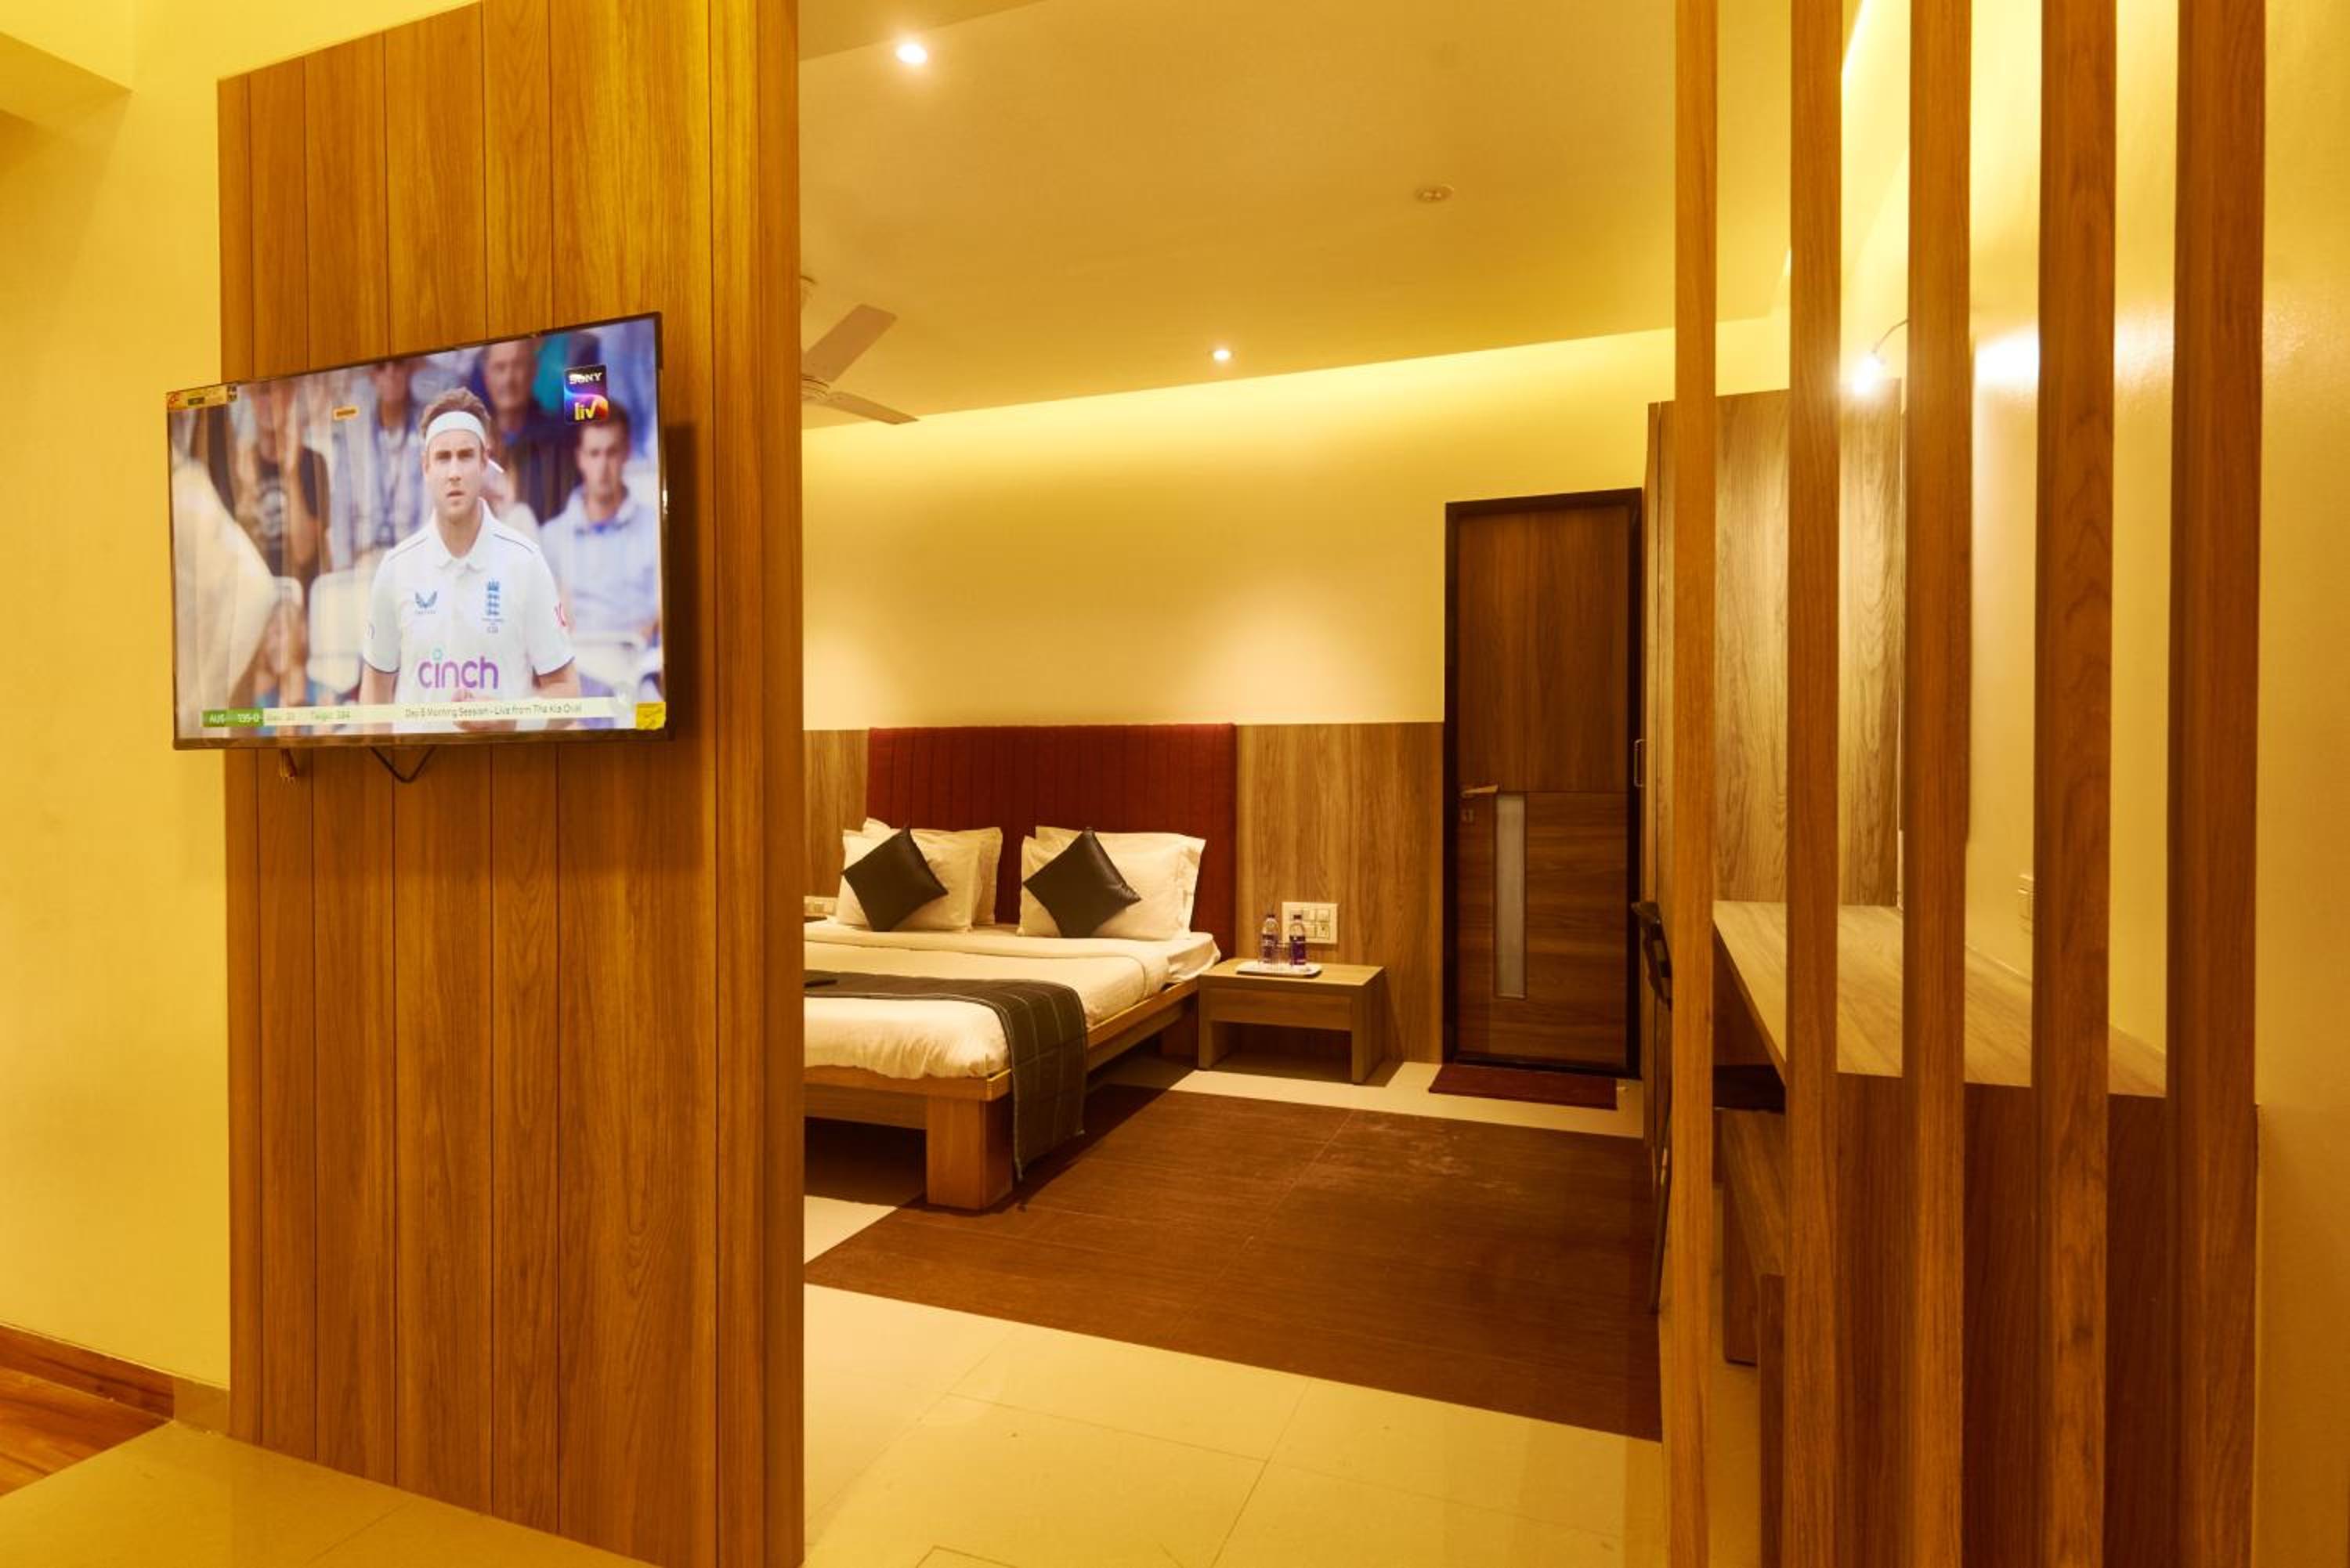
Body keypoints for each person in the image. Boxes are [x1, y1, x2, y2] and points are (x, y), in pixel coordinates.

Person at [357, 388, 580, 732]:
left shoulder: (525, 561)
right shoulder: (396, 567)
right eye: (443, 457)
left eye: (465, 456)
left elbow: (568, 693)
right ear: (426, 467)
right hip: (417, 767)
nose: (454, 472)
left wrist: (509, 718)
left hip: (504, 765)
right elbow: (375, 692)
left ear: (484, 462)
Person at [539, 404, 661, 649]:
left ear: (627, 452)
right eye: (594, 454)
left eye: (611, 452)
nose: (603, 467)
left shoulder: (655, 528)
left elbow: (662, 614)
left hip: (638, 663)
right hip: (577, 664)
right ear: (580, 458)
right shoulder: (552, 537)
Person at [327, 358, 425, 570]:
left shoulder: (426, 427)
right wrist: (343, 568)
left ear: (409, 369)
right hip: (365, 559)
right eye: (381, 367)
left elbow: (431, 508)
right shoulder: (355, 429)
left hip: (413, 559)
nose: (390, 373)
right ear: (373, 376)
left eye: (398, 364)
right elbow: (341, 506)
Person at [232, 378, 329, 587]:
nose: (270, 401)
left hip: (301, 593)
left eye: (277, 391)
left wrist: (291, 475)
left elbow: (304, 553)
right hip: (258, 592)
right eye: (262, 392)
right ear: (251, 398)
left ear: (290, 394)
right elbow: (240, 560)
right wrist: (247, 492)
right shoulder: (242, 465)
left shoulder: (313, 462)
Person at [478, 337, 575, 525]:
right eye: (500, 368)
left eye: (517, 366)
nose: (508, 379)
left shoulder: (559, 444)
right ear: (486, 376)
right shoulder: (471, 444)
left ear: (534, 371)